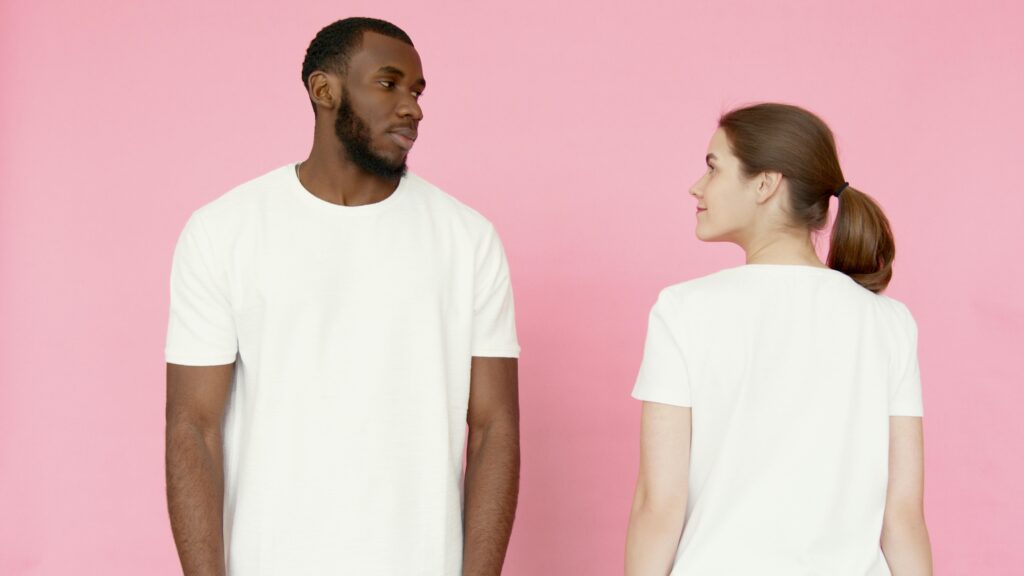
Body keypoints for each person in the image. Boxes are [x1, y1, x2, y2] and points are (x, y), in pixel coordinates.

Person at [164, 17, 520, 576]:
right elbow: (193, 427)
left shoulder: (468, 239)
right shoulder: (223, 231)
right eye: (389, 83)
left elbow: (495, 428)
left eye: (417, 91)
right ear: (324, 90)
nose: (413, 108)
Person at [624, 103, 932, 575]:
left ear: (765, 184)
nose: (697, 186)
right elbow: (903, 516)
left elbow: (659, 504)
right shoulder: (889, 323)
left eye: (713, 168)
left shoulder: (683, 310)